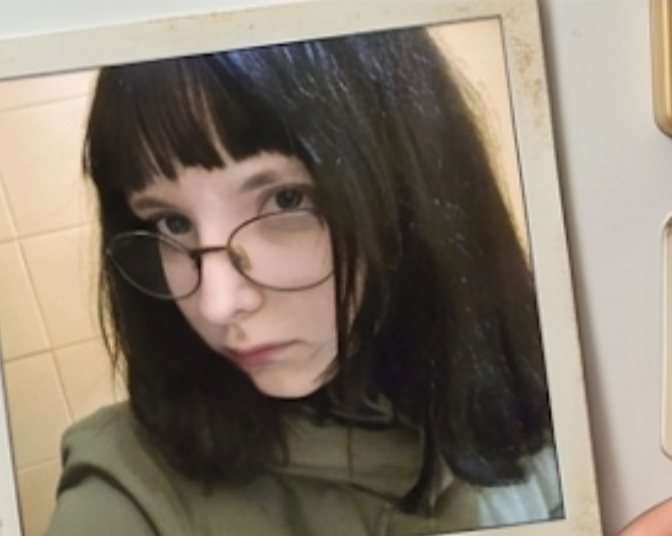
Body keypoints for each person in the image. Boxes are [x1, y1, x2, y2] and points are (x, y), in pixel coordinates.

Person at [44, 26, 562, 536]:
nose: (217, 304)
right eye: (172, 223)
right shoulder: (129, 487)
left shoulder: (564, 389)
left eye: (285, 200)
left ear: (413, 187)